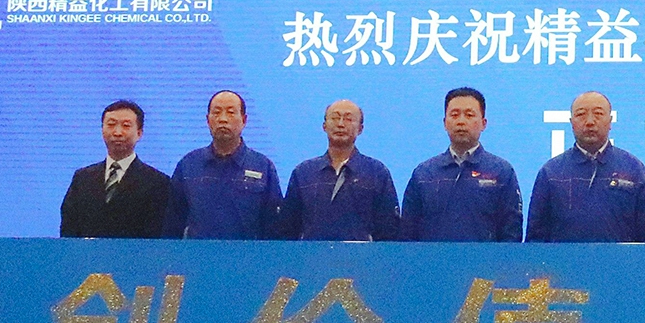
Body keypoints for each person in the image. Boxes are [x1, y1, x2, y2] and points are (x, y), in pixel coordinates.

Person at [526, 92, 645, 242]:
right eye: (581, 114)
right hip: (564, 258)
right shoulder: (551, 172)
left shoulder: (633, 168)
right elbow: (535, 238)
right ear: (571, 122)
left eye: (598, 114)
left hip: (621, 258)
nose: (590, 121)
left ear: (610, 121)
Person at [401, 88, 524, 242]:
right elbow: (407, 234)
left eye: (469, 115)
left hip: (485, 258)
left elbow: (511, 234)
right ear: (445, 123)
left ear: (483, 123)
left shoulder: (501, 172)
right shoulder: (424, 174)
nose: (461, 121)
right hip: (433, 258)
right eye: (454, 115)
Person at [162, 90, 282, 239]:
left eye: (231, 113)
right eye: (216, 113)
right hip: (197, 253)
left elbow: (274, 229)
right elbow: (172, 226)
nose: (223, 119)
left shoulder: (263, 166)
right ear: (208, 120)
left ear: (244, 120)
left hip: (247, 253)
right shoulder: (188, 165)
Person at [276, 100, 400, 241]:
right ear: (324, 126)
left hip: (361, 255)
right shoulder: (303, 173)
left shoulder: (376, 172)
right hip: (312, 254)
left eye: (348, 119)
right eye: (335, 118)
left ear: (360, 129)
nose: (340, 124)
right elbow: (286, 229)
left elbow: (389, 230)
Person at [59, 100, 173, 238]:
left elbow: (158, 233)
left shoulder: (158, 182)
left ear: (139, 133)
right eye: (111, 125)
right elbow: (69, 228)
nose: (117, 132)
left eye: (126, 126)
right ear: (102, 130)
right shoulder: (82, 178)